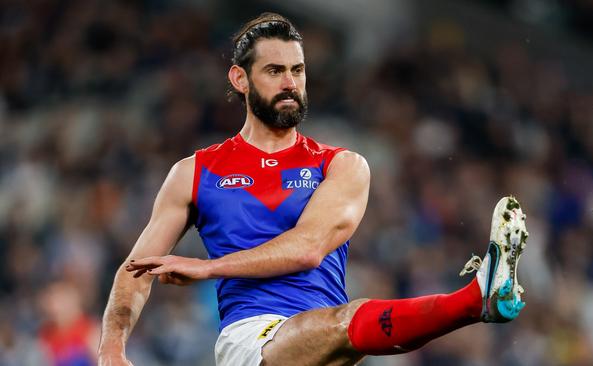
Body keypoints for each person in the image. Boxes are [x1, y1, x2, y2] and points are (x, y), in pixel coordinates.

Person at [98, 12, 528, 366]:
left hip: (326, 347)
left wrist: (208, 267)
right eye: (274, 70)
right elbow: (135, 271)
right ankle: (475, 301)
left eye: (297, 70)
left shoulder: (343, 167)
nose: (290, 82)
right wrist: (111, 349)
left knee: (342, 324)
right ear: (240, 79)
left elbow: (307, 248)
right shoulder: (194, 172)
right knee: (348, 320)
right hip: (254, 342)